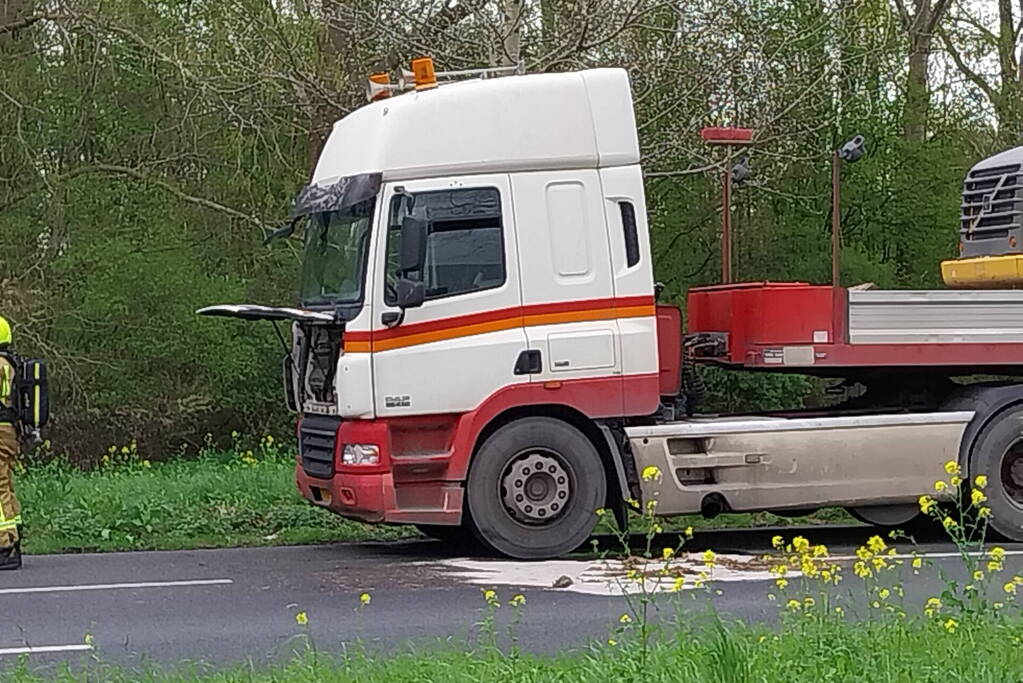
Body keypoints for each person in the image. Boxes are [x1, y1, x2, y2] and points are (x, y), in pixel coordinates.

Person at [0, 316, 22, 570]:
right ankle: (14, 534)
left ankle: (4, 545)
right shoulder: (10, 363)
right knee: (5, 483)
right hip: (8, 431)